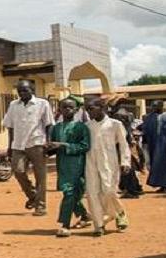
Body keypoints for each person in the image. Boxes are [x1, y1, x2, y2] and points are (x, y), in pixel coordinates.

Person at [2, 80, 54, 216]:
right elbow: (10, 127)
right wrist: (9, 145)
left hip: (37, 143)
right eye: (19, 91)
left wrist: (48, 142)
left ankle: (41, 206)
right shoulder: (13, 105)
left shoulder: (43, 104)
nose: (22, 93)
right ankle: (32, 196)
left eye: (25, 90)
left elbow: (49, 124)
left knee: (40, 177)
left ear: (32, 90)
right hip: (18, 145)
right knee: (18, 171)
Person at [85, 99, 131, 236]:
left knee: (109, 191)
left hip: (109, 162)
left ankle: (119, 212)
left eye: (91, 108)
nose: (88, 112)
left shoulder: (115, 124)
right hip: (90, 161)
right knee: (93, 193)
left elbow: (123, 144)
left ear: (102, 107)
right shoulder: (87, 126)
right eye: (87, 109)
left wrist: (125, 162)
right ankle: (99, 225)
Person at [45, 98, 90, 238]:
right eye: (64, 107)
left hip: (77, 165)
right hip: (62, 165)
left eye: (71, 107)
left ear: (76, 110)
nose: (67, 110)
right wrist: (47, 149)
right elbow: (53, 149)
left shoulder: (81, 127)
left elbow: (85, 146)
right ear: (60, 109)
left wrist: (64, 145)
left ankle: (65, 224)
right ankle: (83, 215)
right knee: (70, 193)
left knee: (70, 193)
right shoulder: (56, 128)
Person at [142, 100, 166, 193]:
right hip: (153, 144)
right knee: (156, 165)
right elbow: (144, 130)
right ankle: (162, 186)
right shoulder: (149, 118)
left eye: (156, 106)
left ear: (161, 106)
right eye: (152, 106)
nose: (153, 108)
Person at [113, 106, 144, 198]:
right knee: (129, 170)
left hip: (123, 150)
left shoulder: (122, 126)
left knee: (126, 170)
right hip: (125, 150)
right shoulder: (125, 126)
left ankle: (130, 190)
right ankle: (134, 188)